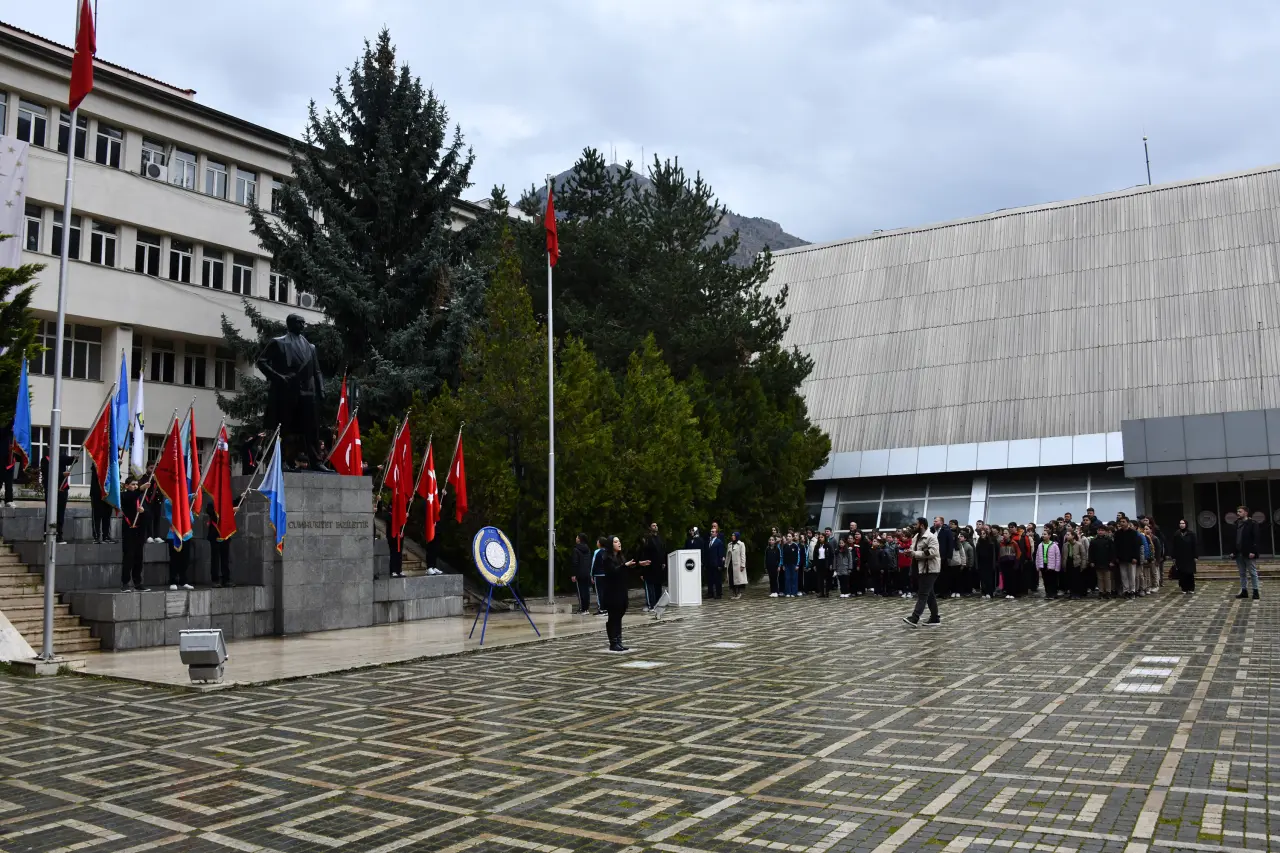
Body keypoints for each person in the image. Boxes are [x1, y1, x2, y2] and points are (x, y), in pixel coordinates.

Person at [903, 517, 941, 626]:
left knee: (923, 593)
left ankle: (914, 617)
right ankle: (935, 618)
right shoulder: (916, 537)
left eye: (916, 524)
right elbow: (913, 549)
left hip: (931, 569)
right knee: (930, 594)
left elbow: (933, 552)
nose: (914, 526)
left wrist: (915, 554)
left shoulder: (931, 537)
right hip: (921, 569)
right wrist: (909, 552)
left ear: (922, 525)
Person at [601, 536, 635, 652]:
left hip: (621, 590)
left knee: (619, 615)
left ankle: (619, 641)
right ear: (611, 545)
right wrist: (624, 566)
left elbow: (625, 569)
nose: (619, 543)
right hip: (612, 591)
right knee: (613, 617)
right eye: (616, 542)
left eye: (619, 541)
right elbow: (613, 571)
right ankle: (613, 642)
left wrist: (639, 564)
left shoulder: (621, 557)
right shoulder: (607, 558)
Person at [119, 477, 146, 591]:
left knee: (138, 558)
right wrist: (140, 489)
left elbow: (149, 515)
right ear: (126, 486)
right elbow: (130, 498)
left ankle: (137, 582)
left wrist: (144, 511)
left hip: (139, 531)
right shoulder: (124, 495)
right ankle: (125, 583)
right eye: (133, 484)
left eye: (136, 485)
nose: (135, 486)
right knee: (128, 557)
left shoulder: (141, 498)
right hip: (129, 529)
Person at [1231, 505, 1261, 600]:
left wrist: (1253, 551)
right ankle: (1244, 591)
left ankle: (1255, 591)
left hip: (1249, 553)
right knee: (1242, 573)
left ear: (1246, 513)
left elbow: (1255, 538)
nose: (1238, 513)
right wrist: (1233, 551)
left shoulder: (1252, 523)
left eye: (1240, 511)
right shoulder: (1236, 524)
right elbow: (1233, 539)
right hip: (1238, 553)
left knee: (1252, 572)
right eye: (1237, 511)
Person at [638, 522, 667, 610]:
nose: (655, 526)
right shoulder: (647, 539)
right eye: (653, 525)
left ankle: (658, 603)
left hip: (658, 566)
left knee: (658, 586)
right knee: (650, 585)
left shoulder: (659, 538)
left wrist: (663, 562)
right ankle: (651, 604)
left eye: (656, 525)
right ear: (650, 528)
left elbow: (661, 551)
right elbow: (644, 553)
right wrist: (642, 570)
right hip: (649, 566)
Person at [1113, 518, 1141, 599]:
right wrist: (1117, 557)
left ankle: (1132, 590)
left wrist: (1135, 557)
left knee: (1132, 575)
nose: (1122, 523)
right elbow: (1116, 546)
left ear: (1127, 523)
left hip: (1131, 558)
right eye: (1120, 522)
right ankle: (1126, 590)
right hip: (1121, 558)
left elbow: (1136, 546)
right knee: (1123, 575)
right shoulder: (1118, 533)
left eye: (1123, 522)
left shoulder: (1133, 533)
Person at [207, 502, 232, 587]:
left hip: (225, 534)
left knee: (225, 558)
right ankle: (215, 580)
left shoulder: (225, 500)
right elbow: (213, 515)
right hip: (215, 535)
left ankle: (226, 579)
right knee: (215, 559)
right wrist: (231, 511)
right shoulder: (211, 504)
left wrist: (241, 498)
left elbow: (233, 503)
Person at [89, 462, 114, 544]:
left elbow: (117, 476)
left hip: (108, 492)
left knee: (107, 515)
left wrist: (117, 466)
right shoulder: (97, 464)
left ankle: (106, 536)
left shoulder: (112, 465)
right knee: (97, 515)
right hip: (97, 493)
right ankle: (96, 537)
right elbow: (98, 473)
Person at [1090, 525, 1117, 599]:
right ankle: (1101, 591)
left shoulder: (1109, 540)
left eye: (1102, 530)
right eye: (1099, 530)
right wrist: (1091, 561)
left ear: (1105, 531)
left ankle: (1108, 591)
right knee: (1100, 578)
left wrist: (1112, 561)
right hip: (1097, 562)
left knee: (1107, 578)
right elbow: (1091, 552)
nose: (1100, 532)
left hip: (1107, 562)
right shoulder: (1093, 541)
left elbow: (1112, 552)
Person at [1172, 519, 1197, 594]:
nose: (1181, 524)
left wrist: (1196, 556)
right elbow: (1174, 546)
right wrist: (1173, 556)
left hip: (1189, 557)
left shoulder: (1191, 534)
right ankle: (1184, 588)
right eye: (1180, 523)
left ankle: (1191, 588)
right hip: (1180, 557)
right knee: (1182, 573)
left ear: (1186, 524)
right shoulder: (1177, 534)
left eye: (1183, 523)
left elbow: (1195, 546)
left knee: (1189, 573)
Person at [570, 533, 593, 614]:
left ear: (579, 539)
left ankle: (582, 608)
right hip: (587, 572)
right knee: (586, 591)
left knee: (580, 591)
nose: (576, 538)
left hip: (579, 573)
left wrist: (573, 574)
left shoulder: (576, 549)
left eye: (577, 537)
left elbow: (575, 562)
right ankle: (586, 608)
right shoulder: (588, 549)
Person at [1035, 533, 1061, 599]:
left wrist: (1057, 567)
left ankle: (1053, 593)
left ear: (1049, 536)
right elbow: (1037, 556)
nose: (1043, 535)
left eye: (1045, 534)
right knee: (1045, 580)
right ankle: (1048, 593)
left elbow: (1058, 557)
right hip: (1043, 565)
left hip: (1052, 566)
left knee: (1052, 580)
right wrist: (1038, 565)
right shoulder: (1040, 545)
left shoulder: (1054, 545)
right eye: (1043, 534)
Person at [705, 522, 726, 600]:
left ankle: (719, 593)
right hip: (710, 563)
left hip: (716, 563)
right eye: (711, 531)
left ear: (716, 533)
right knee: (710, 579)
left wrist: (720, 564)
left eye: (713, 532)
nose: (711, 533)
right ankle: (710, 593)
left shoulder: (719, 542)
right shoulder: (709, 541)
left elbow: (720, 554)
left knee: (717, 580)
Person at [976, 527, 998, 599]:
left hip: (989, 563)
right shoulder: (979, 543)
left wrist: (995, 563)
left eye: (984, 533)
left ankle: (989, 592)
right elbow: (977, 554)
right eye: (981, 534)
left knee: (989, 578)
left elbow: (995, 553)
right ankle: (984, 592)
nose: (982, 535)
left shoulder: (991, 542)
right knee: (983, 579)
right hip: (982, 563)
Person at [997, 531, 1019, 600]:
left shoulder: (1014, 543)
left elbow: (1018, 553)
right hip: (1004, 563)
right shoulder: (1001, 543)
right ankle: (1008, 592)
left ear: (1009, 534)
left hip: (1012, 563)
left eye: (1006, 533)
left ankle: (1013, 593)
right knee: (1006, 579)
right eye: (1004, 533)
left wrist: (1016, 563)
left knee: (1012, 579)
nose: (1005, 535)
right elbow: (999, 554)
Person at [591, 535, 609, 615]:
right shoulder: (608, 552)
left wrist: (591, 574)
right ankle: (606, 608)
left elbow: (593, 564)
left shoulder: (597, 552)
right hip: (607, 574)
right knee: (606, 591)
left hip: (598, 575)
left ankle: (601, 608)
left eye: (597, 541)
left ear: (600, 543)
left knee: (599, 592)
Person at [726, 531, 748, 599]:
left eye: (734, 535)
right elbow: (727, 555)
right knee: (731, 579)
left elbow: (743, 555)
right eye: (732, 535)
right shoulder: (729, 544)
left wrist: (742, 565)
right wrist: (726, 564)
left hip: (737, 564)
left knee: (738, 580)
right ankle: (734, 593)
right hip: (730, 564)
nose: (732, 536)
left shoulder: (741, 544)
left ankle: (738, 593)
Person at [781, 532, 800, 598]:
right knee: (787, 578)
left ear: (792, 537)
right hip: (786, 564)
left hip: (794, 564)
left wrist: (797, 564)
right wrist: (783, 564)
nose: (788, 537)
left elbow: (798, 555)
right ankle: (788, 592)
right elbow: (783, 556)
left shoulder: (795, 545)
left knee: (794, 578)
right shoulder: (785, 546)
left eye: (789, 536)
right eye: (787, 536)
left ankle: (793, 592)